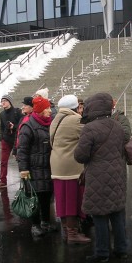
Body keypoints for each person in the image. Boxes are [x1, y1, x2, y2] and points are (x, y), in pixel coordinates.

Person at [74, 93, 128, 262]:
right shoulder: (118, 126)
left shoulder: (89, 128)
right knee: (117, 213)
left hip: (98, 177)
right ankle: (121, 249)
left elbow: (80, 156)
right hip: (118, 174)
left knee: (99, 215)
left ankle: (102, 252)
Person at [50, 95, 90, 244]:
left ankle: (68, 233)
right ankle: (73, 234)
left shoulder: (56, 119)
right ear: (75, 107)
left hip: (57, 165)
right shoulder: (75, 120)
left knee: (62, 199)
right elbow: (87, 135)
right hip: (71, 167)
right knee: (72, 200)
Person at [17, 96, 56, 239]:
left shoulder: (50, 123)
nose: (50, 111)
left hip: (48, 166)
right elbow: (22, 149)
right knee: (34, 197)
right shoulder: (28, 125)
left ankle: (45, 222)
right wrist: (23, 169)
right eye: (46, 108)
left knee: (46, 195)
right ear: (39, 110)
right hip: (33, 168)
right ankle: (35, 225)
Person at [0, 94, 22, 190]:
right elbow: (1, 127)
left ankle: (24, 180)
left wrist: (13, 127)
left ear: (9, 102)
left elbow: (22, 124)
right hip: (6, 139)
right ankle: (2, 181)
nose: (3, 103)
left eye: (5, 101)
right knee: (3, 161)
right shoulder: (2, 114)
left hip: (16, 139)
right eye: (2, 101)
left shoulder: (17, 112)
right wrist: (1, 138)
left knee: (20, 160)